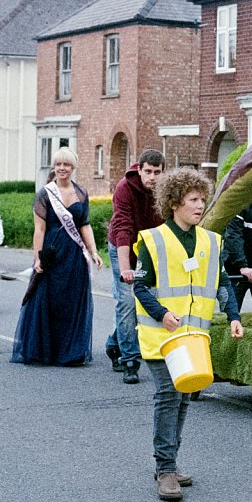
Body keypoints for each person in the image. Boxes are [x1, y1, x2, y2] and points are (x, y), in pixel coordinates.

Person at [132, 168, 242, 501]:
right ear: (175, 202)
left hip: (192, 338)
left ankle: (170, 462)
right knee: (168, 394)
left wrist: (234, 316)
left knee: (182, 397)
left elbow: (222, 284)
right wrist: (162, 314)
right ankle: (165, 470)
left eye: (202, 200)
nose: (200, 206)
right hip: (160, 337)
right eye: (194, 200)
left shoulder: (211, 240)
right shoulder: (153, 240)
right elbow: (140, 286)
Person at [11, 148, 102, 366]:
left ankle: (70, 351)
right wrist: (37, 259)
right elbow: (39, 229)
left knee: (71, 301)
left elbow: (84, 225)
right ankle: (45, 350)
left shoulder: (81, 193)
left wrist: (94, 251)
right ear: (54, 166)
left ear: (73, 168)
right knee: (48, 300)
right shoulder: (45, 193)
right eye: (59, 164)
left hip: (73, 254)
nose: (62, 168)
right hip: (52, 253)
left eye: (67, 165)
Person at [105, 149, 165, 384]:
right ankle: (130, 359)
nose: (152, 177)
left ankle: (114, 343)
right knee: (127, 301)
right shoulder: (125, 188)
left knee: (150, 299)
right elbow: (122, 227)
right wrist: (124, 270)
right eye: (147, 171)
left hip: (149, 249)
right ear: (138, 170)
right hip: (123, 245)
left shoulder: (165, 189)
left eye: (157, 172)